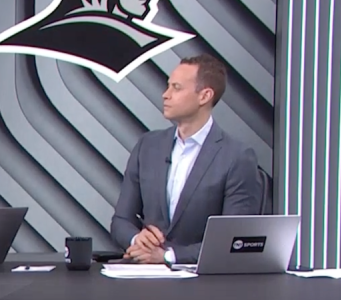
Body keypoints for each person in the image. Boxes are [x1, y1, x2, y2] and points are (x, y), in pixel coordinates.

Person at [109, 54, 262, 264]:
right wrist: (137, 239)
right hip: (145, 278)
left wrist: (167, 256)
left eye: (176, 88)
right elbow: (120, 221)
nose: (165, 95)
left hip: (202, 281)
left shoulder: (237, 157)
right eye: (168, 86)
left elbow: (233, 240)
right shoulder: (147, 146)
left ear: (204, 96)